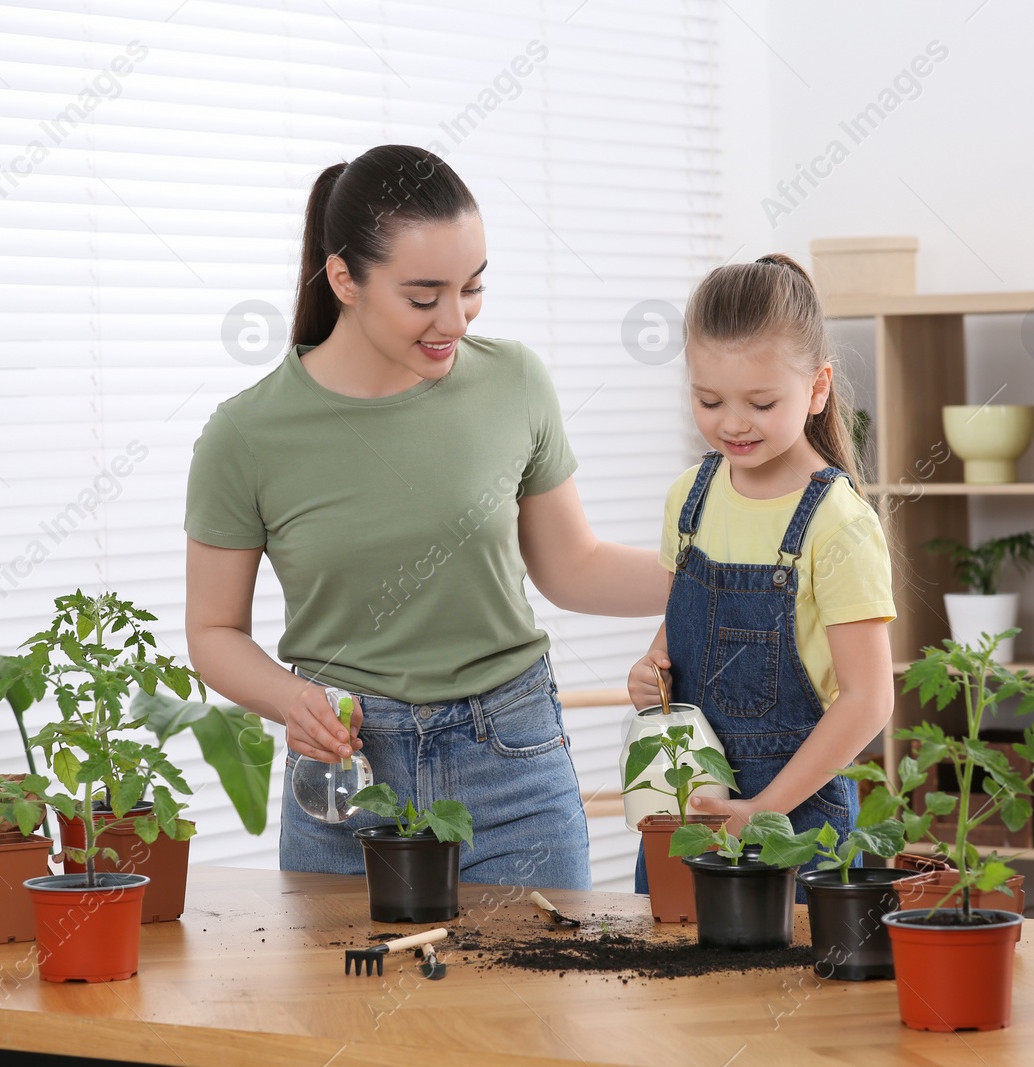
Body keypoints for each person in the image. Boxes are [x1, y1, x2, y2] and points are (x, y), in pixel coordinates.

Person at [185, 145, 668, 890]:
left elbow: (573, 565)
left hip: (514, 767)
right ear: (343, 277)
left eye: (472, 287)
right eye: (424, 295)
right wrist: (293, 702)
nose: (455, 318)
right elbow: (213, 632)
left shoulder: (513, 381)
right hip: (348, 778)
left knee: (534, 1005)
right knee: (350, 1004)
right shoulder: (246, 435)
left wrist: (719, 572)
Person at [626, 253, 895, 897]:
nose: (733, 423)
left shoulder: (837, 524)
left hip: (795, 823)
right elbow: (678, 637)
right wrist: (651, 670)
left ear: (818, 388)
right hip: (688, 813)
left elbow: (868, 699)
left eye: (761, 402)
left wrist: (765, 809)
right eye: (709, 399)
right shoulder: (689, 498)